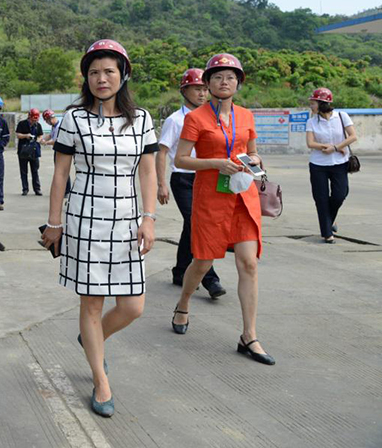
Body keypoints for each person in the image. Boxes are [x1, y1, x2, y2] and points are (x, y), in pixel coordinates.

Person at [41, 39, 158, 418]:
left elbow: (148, 172)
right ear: (86, 78)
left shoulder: (141, 119)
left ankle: (93, 340)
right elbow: (60, 175)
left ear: (123, 75)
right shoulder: (73, 119)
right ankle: (100, 378)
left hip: (127, 221)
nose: (101, 78)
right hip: (85, 219)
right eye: (94, 72)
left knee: (132, 306)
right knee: (91, 303)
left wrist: (149, 217)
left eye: (109, 71)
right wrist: (54, 223)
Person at [171, 54, 275, 366]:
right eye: (217, 77)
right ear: (208, 83)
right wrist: (216, 163)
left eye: (230, 77)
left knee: (249, 263)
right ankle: (183, 302)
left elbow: (253, 152)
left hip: (243, 196)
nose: (224, 82)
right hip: (210, 198)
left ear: (238, 83)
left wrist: (254, 160)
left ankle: (249, 336)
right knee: (203, 262)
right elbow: (181, 159)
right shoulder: (196, 118)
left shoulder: (246, 116)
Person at [157, 68, 226, 298]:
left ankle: (180, 271)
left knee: (191, 226)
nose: (202, 93)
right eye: (197, 89)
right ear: (184, 91)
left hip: (206, 177)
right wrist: (161, 184)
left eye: (205, 89)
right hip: (183, 179)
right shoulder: (175, 120)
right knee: (197, 224)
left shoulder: (213, 117)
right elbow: (162, 152)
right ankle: (210, 278)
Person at [305, 88, 357, 243]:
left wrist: (335, 147)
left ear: (322, 104)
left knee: (340, 195)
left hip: (339, 163)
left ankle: (330, 219)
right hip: (318, 165)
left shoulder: (341, 116)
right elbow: (310, 143)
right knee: (321, 199)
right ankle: (327, 233)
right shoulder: (311, 121)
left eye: (313, 103)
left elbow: (353, 136)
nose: (311, 106)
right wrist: (326, 146)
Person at [16, 108, 43, 195]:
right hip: (23, 150)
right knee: (23, 171)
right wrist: (26, 136)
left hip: (34, 151)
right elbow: (18, 135)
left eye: (36, 119)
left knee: (35, 170)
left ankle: (37, 189)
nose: (34, 121)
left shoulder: (38, 125)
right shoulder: (22, 124)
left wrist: (38, 140)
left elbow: (40, 135)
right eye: (33, 119)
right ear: (29, 116)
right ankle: (25, 189)